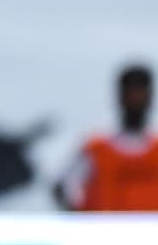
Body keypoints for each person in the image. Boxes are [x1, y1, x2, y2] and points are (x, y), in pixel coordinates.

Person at [55, 64, 158, 212]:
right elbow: (62, 188)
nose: (135, 101)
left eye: (141, 94)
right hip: (103, 232)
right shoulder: (95, 149)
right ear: (120, 96)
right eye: (130, 94)